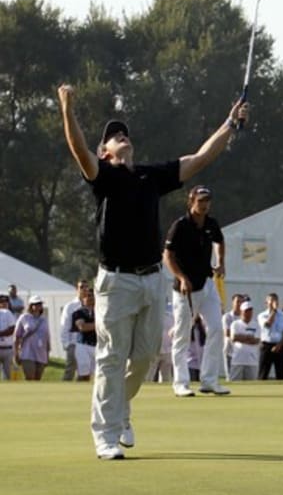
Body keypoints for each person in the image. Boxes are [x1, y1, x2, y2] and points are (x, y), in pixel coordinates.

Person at [58, 82, 247, 459]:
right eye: (113, 136)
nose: (121, 136)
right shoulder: (103, 177)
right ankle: (106, 434)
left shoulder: (149, 176)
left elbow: (199, 159)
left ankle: (120, 410)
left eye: (123, 132)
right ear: (105, 152)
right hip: (115, 280)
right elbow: (79, 149)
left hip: (150, 279)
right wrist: (67, 108)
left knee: (143, 357)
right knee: (111, 357)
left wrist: (231, 124)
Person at [163, 185, 229, 396]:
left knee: (217, 329)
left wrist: (221, 261)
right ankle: (180, 383)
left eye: (207, 200)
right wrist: (181, 277)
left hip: (207, 284)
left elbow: (220, 241)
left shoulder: (211, 223)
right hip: (185, 290)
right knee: (183, 335)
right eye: (200, 200)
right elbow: (167, 256)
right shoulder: (180, 226)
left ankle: (209, 381)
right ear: (191, 201)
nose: (204, 204)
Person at [59, 280, 90, 381]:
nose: (84, 290)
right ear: (77, 289)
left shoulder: (92, 306)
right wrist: (66, 344)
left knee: (85, 372)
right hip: (74, 343)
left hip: (88, 344)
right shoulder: (70, 306)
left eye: (86, 287)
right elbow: (64, 326)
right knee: (70, 371)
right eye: (82, 287)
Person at [14, 295, 50, 380]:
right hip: (27, 352)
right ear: (31, 305)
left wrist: (47, 354)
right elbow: (16, 336)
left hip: (41, 353)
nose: (38, 306)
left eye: (40, 304)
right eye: (36, 304)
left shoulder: (44, 319)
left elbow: (47, 337)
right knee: (30, 377)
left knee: (38, 379)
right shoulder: (24, 317)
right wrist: (16, 353)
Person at [258, 292, 283, 380]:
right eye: (271, 300)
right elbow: (268, 324)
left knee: (281, 374)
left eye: (275, 300)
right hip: (266, 346)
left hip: (280, 345)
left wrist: (279, 345)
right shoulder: (262, 315)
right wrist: (274, 311)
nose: (274, 302)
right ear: (266, 302)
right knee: (263, 374)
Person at [228, 301, 261, 381]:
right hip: (237, 360)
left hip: (252, 361)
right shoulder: (235, 324)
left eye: (250, 311)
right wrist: (248, 337)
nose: (249, 313)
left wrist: (241, 337)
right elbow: (234, 337)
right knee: (235, 382)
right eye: (246, 311)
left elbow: (256, 340)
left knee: (252, 384)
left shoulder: (256, 325)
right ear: (241, 311)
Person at [72, 289, 98, 382]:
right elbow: (82, 327)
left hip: (97, 345)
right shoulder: (79, 312)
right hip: (83, 345)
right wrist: (99, 325)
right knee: (83, 373)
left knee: (98, 374)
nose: (90, 298)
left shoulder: (100, 312)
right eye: (87, 296)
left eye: (92, 296)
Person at [222, 293, 245, 380]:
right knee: (230, 376)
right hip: (230, 351)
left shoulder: (245, 317)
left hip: (242, 351)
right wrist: (244, 337)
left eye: (241, 302)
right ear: (233, 302)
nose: (239, 304)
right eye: (237, 301)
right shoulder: (227, 317)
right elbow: (227, 333)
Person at [0, 294, 16, 380]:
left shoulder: (8, 313)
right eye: (1, 302)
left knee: (7, 377)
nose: (3, 304)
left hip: (7, 348)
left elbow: (12, 329)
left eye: (5, 302)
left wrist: (1, 333)